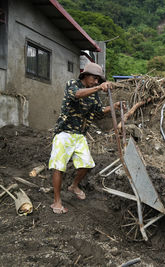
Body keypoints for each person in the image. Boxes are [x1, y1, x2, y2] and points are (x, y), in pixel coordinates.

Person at [48, 62, 121, 214]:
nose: (96, 82)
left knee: (87, 164)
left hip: (80, 135)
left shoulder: (94, 93)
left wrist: (115, 106)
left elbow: (98, 112)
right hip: (64, 132)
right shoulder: (72, 84)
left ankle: (74, 186)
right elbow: (76, 94)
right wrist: (99, 88)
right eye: (94, 78)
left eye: (98, 80)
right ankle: (57, 202)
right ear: (85, 76)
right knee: (58, 167)